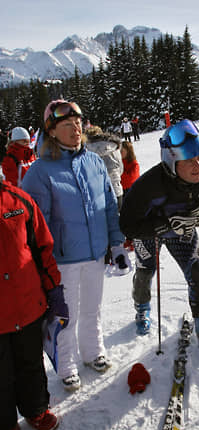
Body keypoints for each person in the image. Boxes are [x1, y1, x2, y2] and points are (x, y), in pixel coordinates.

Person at [22, 99, 130, 392]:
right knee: (65, 315)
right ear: (52, 132)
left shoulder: (94, 162)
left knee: (93, 309)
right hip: (62, 259)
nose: (75, 129)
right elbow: (34, 227)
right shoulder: (40, 172)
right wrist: (40, 265)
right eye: (67, 125)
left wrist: (116, 245)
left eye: (78, 123)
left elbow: (108, 207)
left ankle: (93, 352)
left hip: (95, 254)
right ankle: (67, 366)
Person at [119, 119, 199, 350]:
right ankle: (142, 309)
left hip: (183, 229)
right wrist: (165, 225)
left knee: (196, 269)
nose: (198, 166)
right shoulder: (149, 184)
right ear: (172, 160)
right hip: (149, 231)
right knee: (146, 271)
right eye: (189, 161)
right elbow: (127, 225)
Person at [0, 179, 68, 430]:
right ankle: (4, 426)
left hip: (28, 303)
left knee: (30, 363)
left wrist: (54, 290)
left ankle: (36, 409)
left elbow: (42, 249)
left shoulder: (18, 201)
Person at [85, 125, 124, 211]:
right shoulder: (114, 146)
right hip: (116, 188)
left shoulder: (86, 151)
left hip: (97, 194)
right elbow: (120, 168)